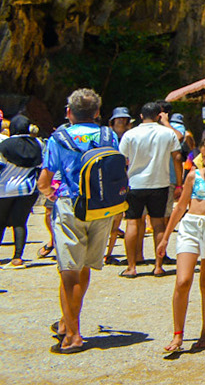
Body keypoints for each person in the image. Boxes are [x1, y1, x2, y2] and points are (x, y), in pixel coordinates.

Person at [38, 87, 122, 354]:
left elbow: (44, 179)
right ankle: (66, 321)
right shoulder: (109, 136)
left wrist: (51, 194)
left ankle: (73, 334)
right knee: (83, 268)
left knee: (68, 271)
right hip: (102, 209)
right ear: (97, 113)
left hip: (71, 206)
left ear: (69, 112)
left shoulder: (58, 138)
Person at [159, 132, 205, 354]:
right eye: (203, 155)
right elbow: (180, 206)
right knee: (183, 280)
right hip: (190, 226)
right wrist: (165, 236)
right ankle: (177, 333)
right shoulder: (194, 175)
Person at [118, 101, 183, 278]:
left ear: (140, 116)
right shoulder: (167, 133)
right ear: (158, 116)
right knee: (158, 224)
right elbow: (177, 157)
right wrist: (179, 182)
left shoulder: (130, 134)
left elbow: (121, 160)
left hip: (135, 183)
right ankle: (158, 265)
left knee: (132, 222)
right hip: (160, 183)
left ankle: (131, 267)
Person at [0, 113, 41, 267]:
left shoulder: (4, 145)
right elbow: (40, 165)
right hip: (28, 189)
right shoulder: (37, 144)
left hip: (4, 189)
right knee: (20, 223)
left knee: (0, 223)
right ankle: (17, 257)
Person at [103, 105, 134, 264]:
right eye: (119, 118)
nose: (121, 120)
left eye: (124, 118)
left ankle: (108, 253)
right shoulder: (106, 137)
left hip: (125, 180)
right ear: (112, 121)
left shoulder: (131, 137)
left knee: (117, 218)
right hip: (108, 180)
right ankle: (102, 251)